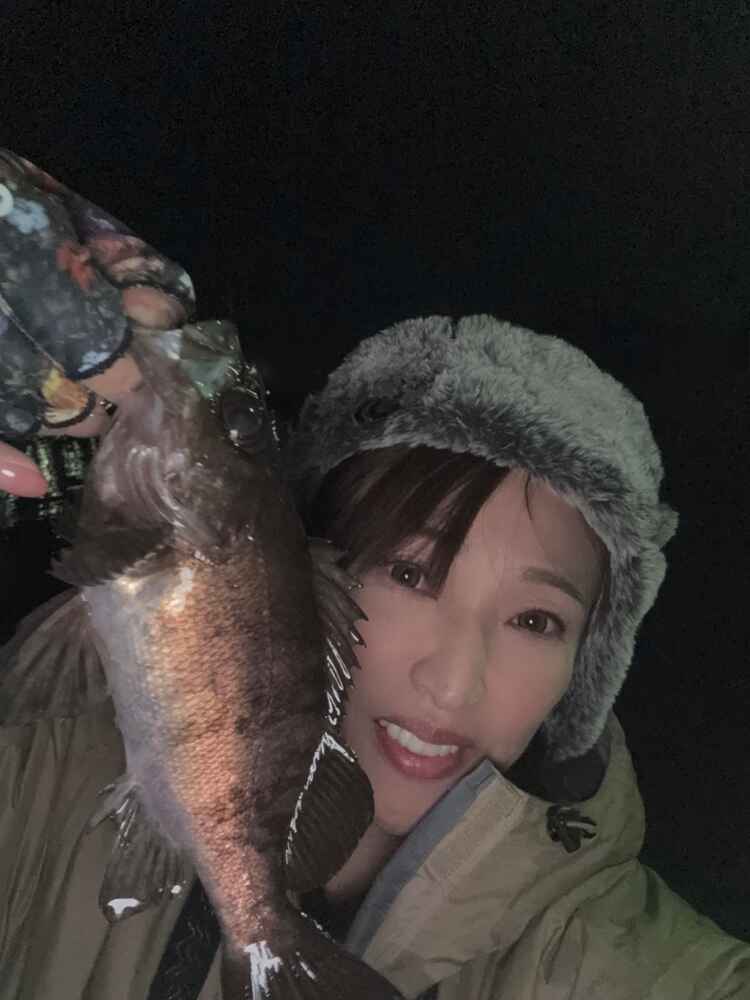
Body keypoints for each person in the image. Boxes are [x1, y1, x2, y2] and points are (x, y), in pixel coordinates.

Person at [1, 156, 748, 1000]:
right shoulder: (38, 786)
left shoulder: (631, 967)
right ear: (304, 574)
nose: (453, 682)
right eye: (411, 571)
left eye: (536, 620)